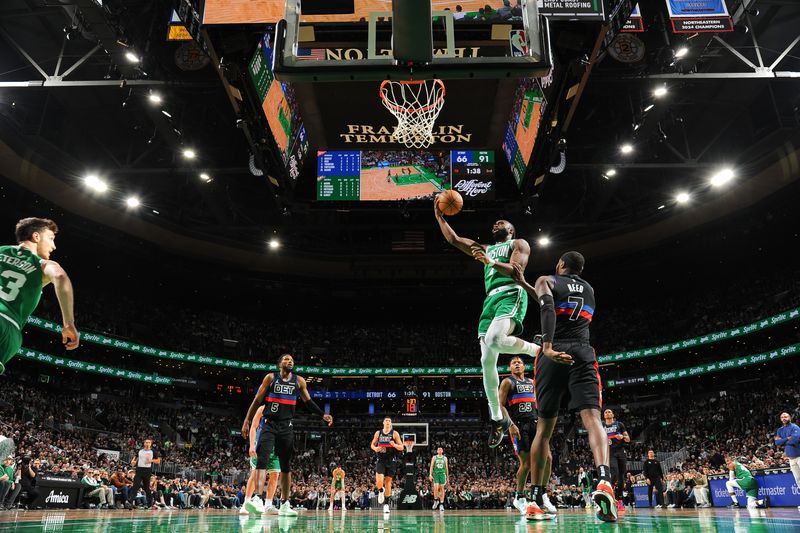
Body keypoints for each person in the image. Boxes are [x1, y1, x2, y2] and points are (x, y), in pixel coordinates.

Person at [512, 251, 617, 522]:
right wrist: (526, 284)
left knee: (543, 430)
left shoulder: (547, 279)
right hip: (582, 352)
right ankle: (604, 481)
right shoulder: (590, 289)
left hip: (552, 353)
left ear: (560, 265)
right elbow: (556, 302)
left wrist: (546, 346)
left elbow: (547, 306)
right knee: (594, 420)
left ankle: (535, 498)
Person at [435, 200, 541, 447]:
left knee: (495, 340)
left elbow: (517, 272)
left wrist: (490, 263)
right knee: (486, 360)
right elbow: (454, 239)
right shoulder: (484, 247)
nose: (496, 224)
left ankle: (537, 349)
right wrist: (439, 216)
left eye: (501, 223)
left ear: (511, 230)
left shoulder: (518, 244)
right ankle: (496, 419)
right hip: (489, 302)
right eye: (495, 223)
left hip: (510, 293)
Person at [241, 354, 333, 517]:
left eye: (291, 360)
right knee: (262, 461)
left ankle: (284, 504)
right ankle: (257, 498)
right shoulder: (270, 378)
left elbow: (308, 402)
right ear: (279, 364)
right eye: (285, 359)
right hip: (269, 424)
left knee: (284, 467)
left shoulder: (299, 381)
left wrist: (322, 414)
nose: (289, 361)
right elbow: (256, 400)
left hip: (286, 426)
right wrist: (247, 420)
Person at [0, 217, 79, 374]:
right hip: (8, 326)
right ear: (36, 237)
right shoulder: (43, 264)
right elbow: (60, 277)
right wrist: (68, 323)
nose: (54, 246)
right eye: (51, 239)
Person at [499, 356, 555, 515]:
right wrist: (509, 425)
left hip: (536, 424)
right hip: (518, 425)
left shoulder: (532, 382)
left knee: (548, 459)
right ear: (510, 368)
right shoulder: (507, 382)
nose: (517, 364)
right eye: (513, 363)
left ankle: (543, 494)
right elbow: (500, 406)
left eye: (519, 362)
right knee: (527, 464)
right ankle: (519, 496)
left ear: (524, 366)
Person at [242, 404, 282, 515]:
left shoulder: (285, 410)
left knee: (275, 475)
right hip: (261, 445)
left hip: (276, 447)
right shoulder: (263, 408)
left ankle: (268, 506)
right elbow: (254, 427)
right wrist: (251, 445)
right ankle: (246, 503)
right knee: (255, 474)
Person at [370, 416, 404, 514]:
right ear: (383, 423)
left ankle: (386, 505)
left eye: (389, 420)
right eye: (386, 420)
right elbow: (372, 444)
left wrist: (394, 445)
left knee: (388, 482)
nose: (388, 422)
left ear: (391, 423)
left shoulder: (395, 433)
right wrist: (375, 448)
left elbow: (401, 447)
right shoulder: (378, 433)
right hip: (381, 459)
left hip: (391, 460)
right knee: (379, 482)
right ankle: (381, 490)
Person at [602, 408, 630, 512]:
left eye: (609, 411)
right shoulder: (601, 426)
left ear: (613, 414)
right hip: (609, 452)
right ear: (604, 416)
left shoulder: (619, 424)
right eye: (605, 412)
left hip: (620, 451)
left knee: (621, 476)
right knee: (614, 472)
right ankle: (607, 491)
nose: (607, 413)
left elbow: (628, 439)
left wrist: (622, 436)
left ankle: (619, 500)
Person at [774, 411, 800, 510]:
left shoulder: (795, 427)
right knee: (798, 480)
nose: (784, 418)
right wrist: (787, 439)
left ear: (790, 417)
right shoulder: (780, 430)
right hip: (791, 458)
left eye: (786, 416)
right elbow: (777, 442)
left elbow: (795, 440)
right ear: (781, 419)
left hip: (799, 456)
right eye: (782, 417)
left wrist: (783, 441)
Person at [126, 439, 160, 509]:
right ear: (144, 443)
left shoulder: (153, 451)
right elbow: (135, 457)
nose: (147, 443)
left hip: (147, 470)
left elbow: (158, 461)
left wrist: (151, 460)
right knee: (136, 485)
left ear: (151, 444)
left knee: (146, 488)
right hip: (139, 469)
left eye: (149, 442)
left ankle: (150, 503)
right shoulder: (140, 450)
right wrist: (133, 461)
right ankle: (130, 502)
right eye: (146, 442)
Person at [428, 447, 448, 512]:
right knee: (436, 488)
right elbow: (431, 466)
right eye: (438, 449)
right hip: (436, 474)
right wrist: (430, 474)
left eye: (440, 449)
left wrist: (447, 477)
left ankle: (441, 504)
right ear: (437, 451)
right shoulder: (434, 457)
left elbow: (446, 468)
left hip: (442, 474)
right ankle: (436, 500)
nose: (439, 450)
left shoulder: (445, 458)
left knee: (442, 489)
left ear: (442, 451)